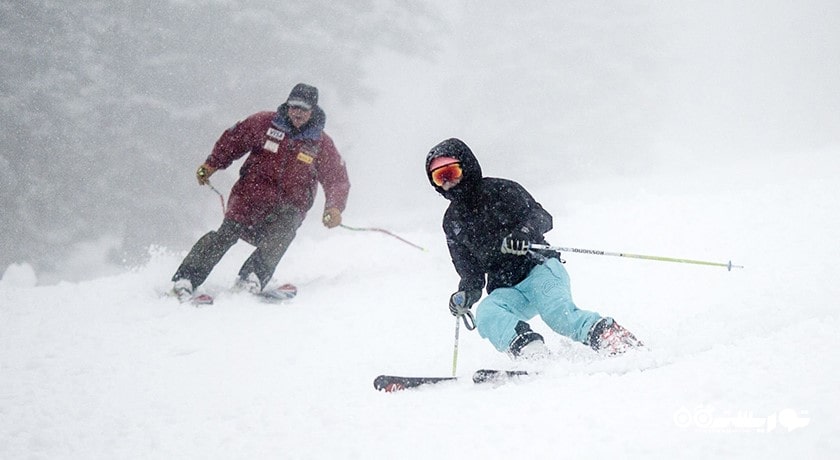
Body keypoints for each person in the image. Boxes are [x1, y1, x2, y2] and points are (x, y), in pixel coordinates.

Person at [425, 138, 641, 358]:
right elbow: (471, 273)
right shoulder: (452, 222)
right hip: (507, 288)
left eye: (451, 173)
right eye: (439, 178)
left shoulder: (501, 190)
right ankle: (532, 352)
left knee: (559, 316)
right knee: (487, 314)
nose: (448, 183)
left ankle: (612, 338)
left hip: (539, 269)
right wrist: (466, 294)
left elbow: (542, 217)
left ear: (466, 167)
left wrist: (523, 233)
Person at [171, 83, 350, 301]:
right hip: (249, 198)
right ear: (287, 105)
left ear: (313, 111)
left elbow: (337, 179)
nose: (297, 113)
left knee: (283, 232)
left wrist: (334, 207)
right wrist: (211, 165)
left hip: (288, 207)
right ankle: (186, 278)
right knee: (225, 234)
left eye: (303, 109)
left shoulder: (320, 143)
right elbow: (232, 141)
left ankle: (252, 277)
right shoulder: (264, 123)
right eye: (294, 107)